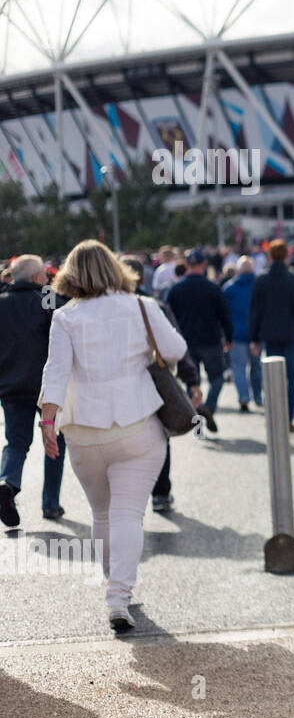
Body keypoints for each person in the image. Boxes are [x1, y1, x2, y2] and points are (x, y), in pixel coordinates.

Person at [38, 240, 188, 631]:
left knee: (102, 514)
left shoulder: (65, 317)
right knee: (127, 515)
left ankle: (114, 588)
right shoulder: (140, 305)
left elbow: (54, 372)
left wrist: (47, 422)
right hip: (137, 423)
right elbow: (175, 349)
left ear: (71, 274)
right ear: (115, 268)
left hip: (83, 429)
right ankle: (117, 596)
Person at [119, 256, 204, 513]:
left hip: (120, 386)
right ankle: (161, 492)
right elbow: (177, 346)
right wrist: (191, 380)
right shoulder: (152, 305)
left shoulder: (104, 308)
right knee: (159, 435)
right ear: (143, 278)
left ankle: (133, 495)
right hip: (154, 381)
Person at [0, 255, 67, 524]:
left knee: (16, 442)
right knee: (55, 441)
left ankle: (7, 482)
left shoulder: (2, 299)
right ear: (39, 276)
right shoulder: (47, 296)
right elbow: (60, 328)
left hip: (10, 383)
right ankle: (51, 503)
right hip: (46, 385)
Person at [163, 249, 231, 433]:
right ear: (203, 266)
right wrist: (229, 338)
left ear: (186, 266)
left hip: (186, 343)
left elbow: (167, 318)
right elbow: (225, 315)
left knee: (192, 381)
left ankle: (194, 414)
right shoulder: (213, 288)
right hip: (210, 340)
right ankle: (207, 407)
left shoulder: (175, 289)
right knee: (217, 378)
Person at [249, 239, 294, 432]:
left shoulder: (261, 279)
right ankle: (289, 418)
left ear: (270, 256)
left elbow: (255, 311)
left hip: (269, 333)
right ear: (286, 255)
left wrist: (254, 338)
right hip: (290, 332)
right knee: (291, 376)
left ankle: (275, 417)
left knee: (272, 376)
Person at [222, 257, 261, 411]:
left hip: (236, 333)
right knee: (256, 366)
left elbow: (224, 314)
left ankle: (244, 396)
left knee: (239, 367)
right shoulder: (258, 285)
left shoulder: (229, 288)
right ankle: (257, 395)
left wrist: (225, 334)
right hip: (255, 332)